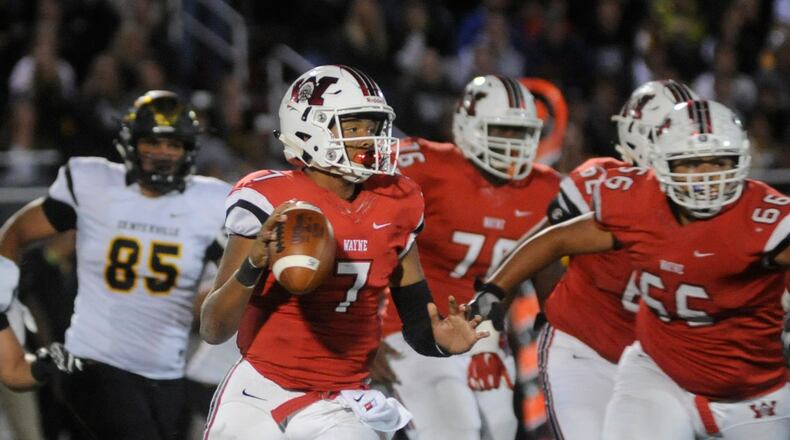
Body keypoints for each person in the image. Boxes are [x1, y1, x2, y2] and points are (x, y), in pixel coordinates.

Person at [470, 99, 790, 439]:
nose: (705, 176)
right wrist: (492, 291)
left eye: (718, 162)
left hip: (752, 391)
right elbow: (557, 239)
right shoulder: (637, 199)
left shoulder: (764, 219)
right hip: (659, 373)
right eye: (690, 164)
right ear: (662, 163)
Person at [199, 64, 487, 440]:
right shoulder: (269, 198)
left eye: (372, 127)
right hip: (260, 390)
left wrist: (441, 341)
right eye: (353, 127)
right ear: (309, 126)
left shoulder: (397, 200)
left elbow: (417, 322)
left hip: (342, 399)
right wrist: (254, 262)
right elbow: (213, 328)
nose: (368, 139)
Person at [0, 90, 231, 440]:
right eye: (152, 142)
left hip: (167, 371)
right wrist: (5, 297)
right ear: (130, 143)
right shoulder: (94, 183)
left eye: (173, 144)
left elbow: (243, 268)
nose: (163, 153)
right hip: (95, 360)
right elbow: (16, 232)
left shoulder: (210, 201)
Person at [373, 74, 560, 440]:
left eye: (521, 133)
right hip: (412, 331)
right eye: (502, 130)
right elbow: (363, 238)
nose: (513, 144)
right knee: (454, 430)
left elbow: (552, 272)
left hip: (485, 337)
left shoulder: (546, 189)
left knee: (502, 427)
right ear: (468, 125)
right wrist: (362, 332)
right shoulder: (426, 166)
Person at [518, 79, 697, 439]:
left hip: (658, 361)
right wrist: (555, 311)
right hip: (585, 349)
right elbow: (540, 246)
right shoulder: (600, 183)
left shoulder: (709, 200)